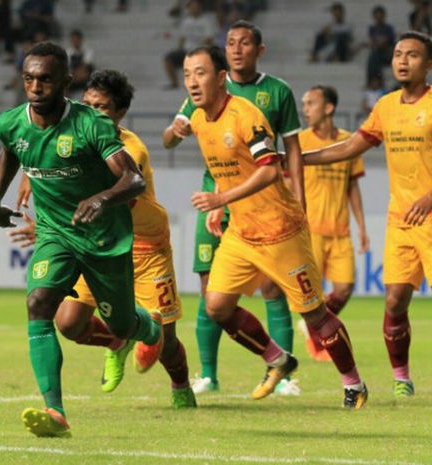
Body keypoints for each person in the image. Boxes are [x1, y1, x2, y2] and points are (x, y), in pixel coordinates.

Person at [0, 41, 164, 438]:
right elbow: (10, 150)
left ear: (66, 81)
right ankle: (55, 412)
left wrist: (102, 198)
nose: (35, 86)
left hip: (105, 239)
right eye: (29, 78)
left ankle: (149, 328)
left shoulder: (90, 124)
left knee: (120, 323)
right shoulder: (10, 121)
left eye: (45, 79)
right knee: (38, 303)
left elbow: (132, 179)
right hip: (55, 233)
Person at [182, 45, 368, 408]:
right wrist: (222, 200)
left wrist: (221, 199)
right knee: (216, 306)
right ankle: (278, 359)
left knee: (314, 313)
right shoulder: (199, 120)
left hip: (280, 230)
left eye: (200, 73)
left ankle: (354, 383)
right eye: (187, 74)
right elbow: (228, 164)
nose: (192, 81)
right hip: (241, 231)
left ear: (221, 78)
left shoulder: (246, 116)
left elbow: (268, 169)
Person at [9, 69, 197, 409]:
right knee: (68, 323)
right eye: (88, 103)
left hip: (144, 248)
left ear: (119, 114)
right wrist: (28, 170)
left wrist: (47, 226)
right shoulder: (70, 135)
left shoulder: (130, 150)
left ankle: (181, 385)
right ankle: (116, 341)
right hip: (95, 243)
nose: (93, 112)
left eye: (103, 107)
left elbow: (107, 201)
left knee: (165, 339)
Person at [303, 32, 432, 398]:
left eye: (412, 55)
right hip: (399, 217)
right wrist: (300, 158)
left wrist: (431, 196)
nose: (402, 60)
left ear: (428, 65)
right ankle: (402, 379)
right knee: (395, 300)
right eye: (398, 54)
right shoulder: (385, 106)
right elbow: (351, 146)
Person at [163, 20, 301, 396]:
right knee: (211, 288)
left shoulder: (276, 93)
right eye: (230, 43)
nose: (237, 48)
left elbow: (292, 152)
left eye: (244, 43)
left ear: (259, 49)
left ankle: (285, 375)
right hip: (215, 200)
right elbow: (167, 139)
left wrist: (299, 199)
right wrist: (175, 134)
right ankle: (208, 374)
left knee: (274, 286)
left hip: (261, 201)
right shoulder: (199, 90)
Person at [295, 85, 369, 362]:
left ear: (329, 108)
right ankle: (318, 340)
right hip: (310, 230)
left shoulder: (349, 142)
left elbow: (353, 186)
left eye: (311, 103)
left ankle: (311, 326)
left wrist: (361, 226)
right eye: (304, 104)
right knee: (310, 294)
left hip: (341, 231)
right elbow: (291, 184)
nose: (306, 109)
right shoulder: (300, 141)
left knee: (345, 288)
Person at [163, 0, 216, 89]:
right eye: (192, 7)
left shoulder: (206, 21)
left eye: (196, 6)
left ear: (200, 8)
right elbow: (182, 38)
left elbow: (209, 38)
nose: (194, 9)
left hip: (200, 51)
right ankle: (174, 83)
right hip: (186, 51)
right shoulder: (186, 22)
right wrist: (179, 48)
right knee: (168, 58)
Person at [366, 5, 395, 82]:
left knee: (373, 56)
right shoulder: (372, 29)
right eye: (377, 16)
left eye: (380, 16)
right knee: (374, 57)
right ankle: (376, 80)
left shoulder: (389, 28)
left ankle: (373, 80)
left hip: (388, 54)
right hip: (378, 54)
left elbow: (386, 42)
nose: (378, 18)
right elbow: (372, 42)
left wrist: (379, 42)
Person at [66, 29, 95, 95]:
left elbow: (85, 65)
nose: (75, 42)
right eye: (73, 40)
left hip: (85, 76)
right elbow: (68, 67)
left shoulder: (87, 51)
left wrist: (79, 75)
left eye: (77, 40)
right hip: (74, 76)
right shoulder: (68, 52)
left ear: (80, 40)